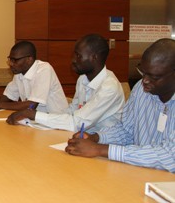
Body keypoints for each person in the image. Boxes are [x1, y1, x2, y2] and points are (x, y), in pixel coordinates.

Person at [66, 38, 174, 172]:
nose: (145, 81)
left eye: (154, 77)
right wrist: (96, 138)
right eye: (143, 72)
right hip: (141, 174)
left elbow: (170, 156)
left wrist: (101, 149)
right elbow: (127, 130)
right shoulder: (141, 91)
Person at [7, 34, 125, 133]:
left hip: (105, 144)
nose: (73, 60)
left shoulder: (109, 87)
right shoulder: (83, 79)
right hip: (82, 137)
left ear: (94, 58)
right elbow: (71, 112)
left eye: (78, 56)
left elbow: (78, 122)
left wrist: (34, 114)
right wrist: (38, 119)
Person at [0, 41, 68, 113]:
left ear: (29, 59)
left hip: (56, 121)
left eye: (15, 60)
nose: (11, 64)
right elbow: (7, 98)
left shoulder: (44, 69)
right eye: (10, 59)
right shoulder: (19, 72)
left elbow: (31, 105)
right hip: (36, 120)